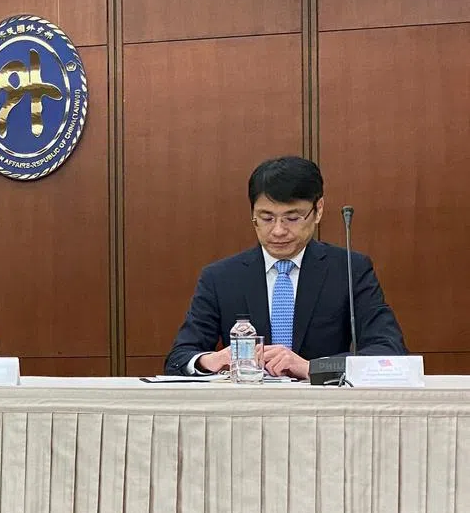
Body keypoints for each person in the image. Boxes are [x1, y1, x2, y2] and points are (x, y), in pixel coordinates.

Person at [165, 156, 406, 379]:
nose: (278, 230)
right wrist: (213, 359)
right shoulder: (221, 277)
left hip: (322, 410)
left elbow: (389, 352)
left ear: (318, 210)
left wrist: (312, 367)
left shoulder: (349, 269)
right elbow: (179, 358)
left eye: (292, 218)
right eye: (266, 218)